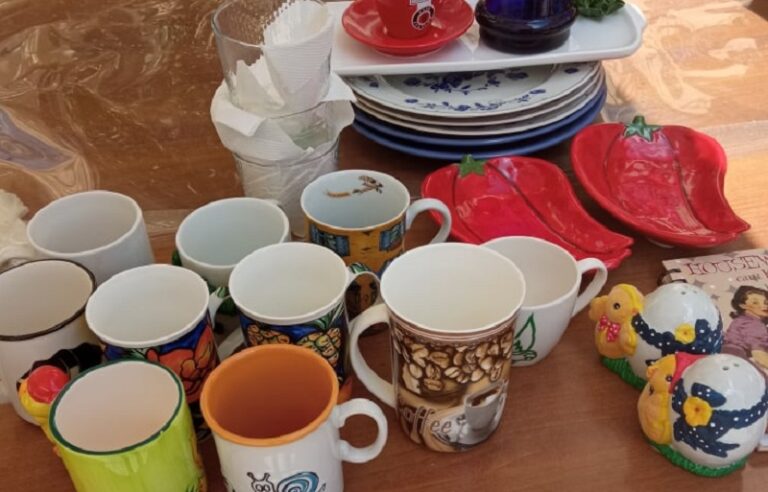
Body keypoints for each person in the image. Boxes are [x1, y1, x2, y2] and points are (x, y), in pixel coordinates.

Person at [722, 285, 768, 369]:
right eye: (755, 302)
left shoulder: (742, 320)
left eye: (766, 302)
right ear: (743, 305)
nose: (764, 306)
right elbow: (759, 355)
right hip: (736, 363)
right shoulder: (752, 324)